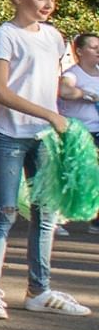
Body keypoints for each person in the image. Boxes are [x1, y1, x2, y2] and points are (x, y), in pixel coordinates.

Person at [0, 0, 90, 319]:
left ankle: (39, 291)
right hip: (9, 134)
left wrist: (80, 93)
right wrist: (50, 115)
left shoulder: (54, 38)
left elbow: (55, 83)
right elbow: (0, 91)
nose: (48, 5)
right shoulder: (5, 36)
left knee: (46, 215)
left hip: (43, 138)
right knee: (5, 212)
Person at [59, 33, 99, 233]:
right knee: (71, 175)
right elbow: (65, 91)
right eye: (93, 47)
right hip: (78, 133)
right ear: (80, 52)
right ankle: (55, 217)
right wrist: (85, 94)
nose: (98, 51)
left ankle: (96, 220)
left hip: (97, 131)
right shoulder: (72, 74)